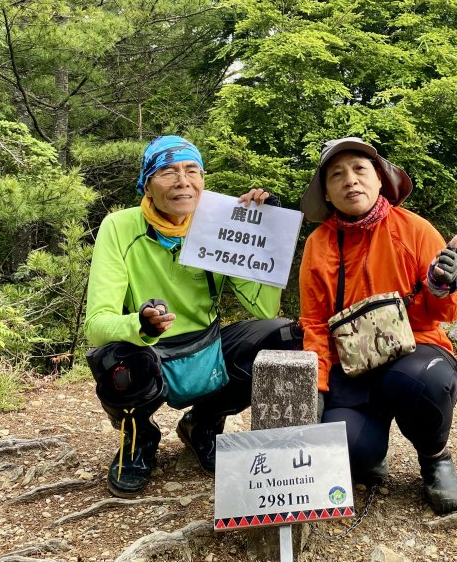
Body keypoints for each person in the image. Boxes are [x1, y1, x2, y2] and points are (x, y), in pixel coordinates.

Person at [84, 135, 300, 497]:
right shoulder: (120, 227)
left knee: (284, 338)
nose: (182, 181)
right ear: (148, 184)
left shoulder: (218, 223)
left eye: (192, 170)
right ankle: (138, 441)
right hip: (147, 351)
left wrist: (265, 230)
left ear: (203, 179)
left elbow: (263, 309)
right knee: (119, 368)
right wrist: (139, 323)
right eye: (167, 171)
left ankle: (203, 424)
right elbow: (96, 324)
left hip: (206, 348)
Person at [298, 137, 457, 515]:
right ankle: (370, 452)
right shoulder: (319, 244)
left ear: (380, 180)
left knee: (424, 382)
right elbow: (314, 321)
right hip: (351, 366)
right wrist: (319, 385)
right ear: (326, 192)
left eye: (360, 170)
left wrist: (444, 285)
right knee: (348, 455)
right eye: (337, 175)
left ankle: (435, 458)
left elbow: (449, 313)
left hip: (415, 350)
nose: (350, 181)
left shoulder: (416, 230)